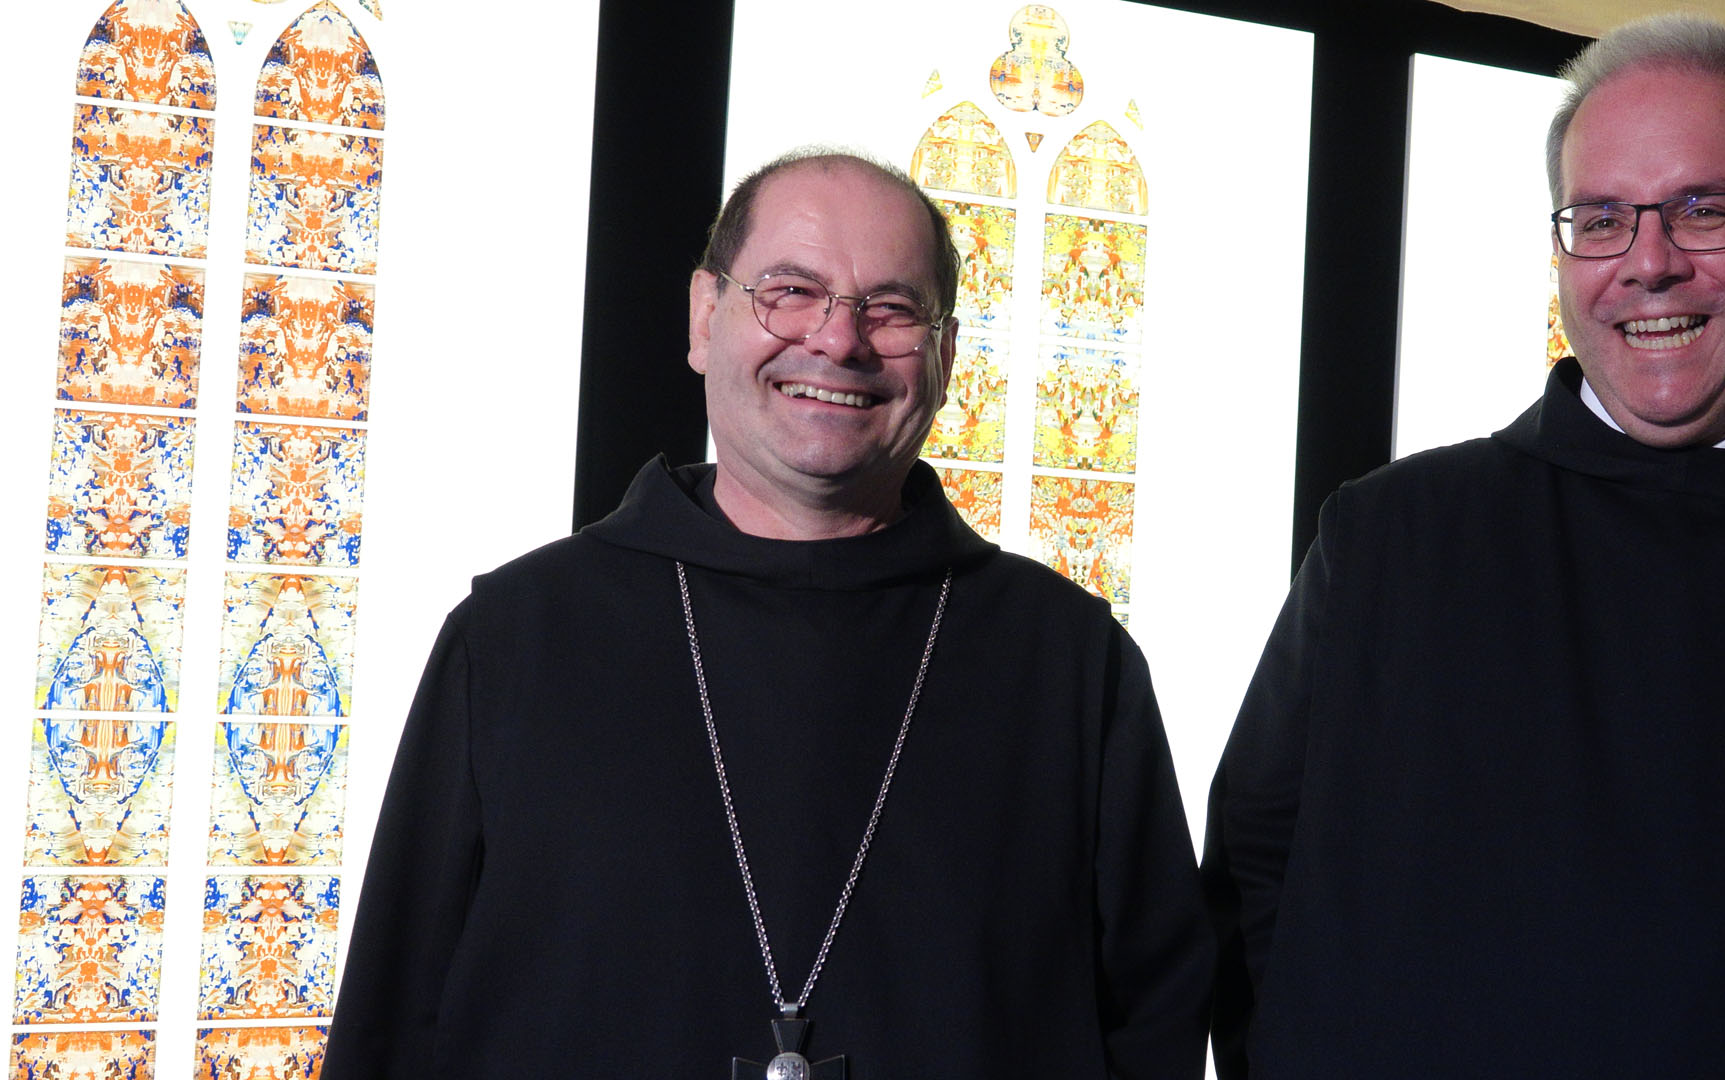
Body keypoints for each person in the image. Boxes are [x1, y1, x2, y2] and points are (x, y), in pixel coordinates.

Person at [322, 150, 1210, 1078]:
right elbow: (396, 1016)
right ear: (706, 318)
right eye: (791, 291)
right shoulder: (516, 636)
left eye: (893, 309)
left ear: (945, 358)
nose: (839, 341)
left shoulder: (1071, 662)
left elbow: (1152, 1029)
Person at [1205, 14, 1725, 1077]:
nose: (1649, 265)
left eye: (1705, 212)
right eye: (1601, 219)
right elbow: (1255, 878)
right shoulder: (1391, 540)